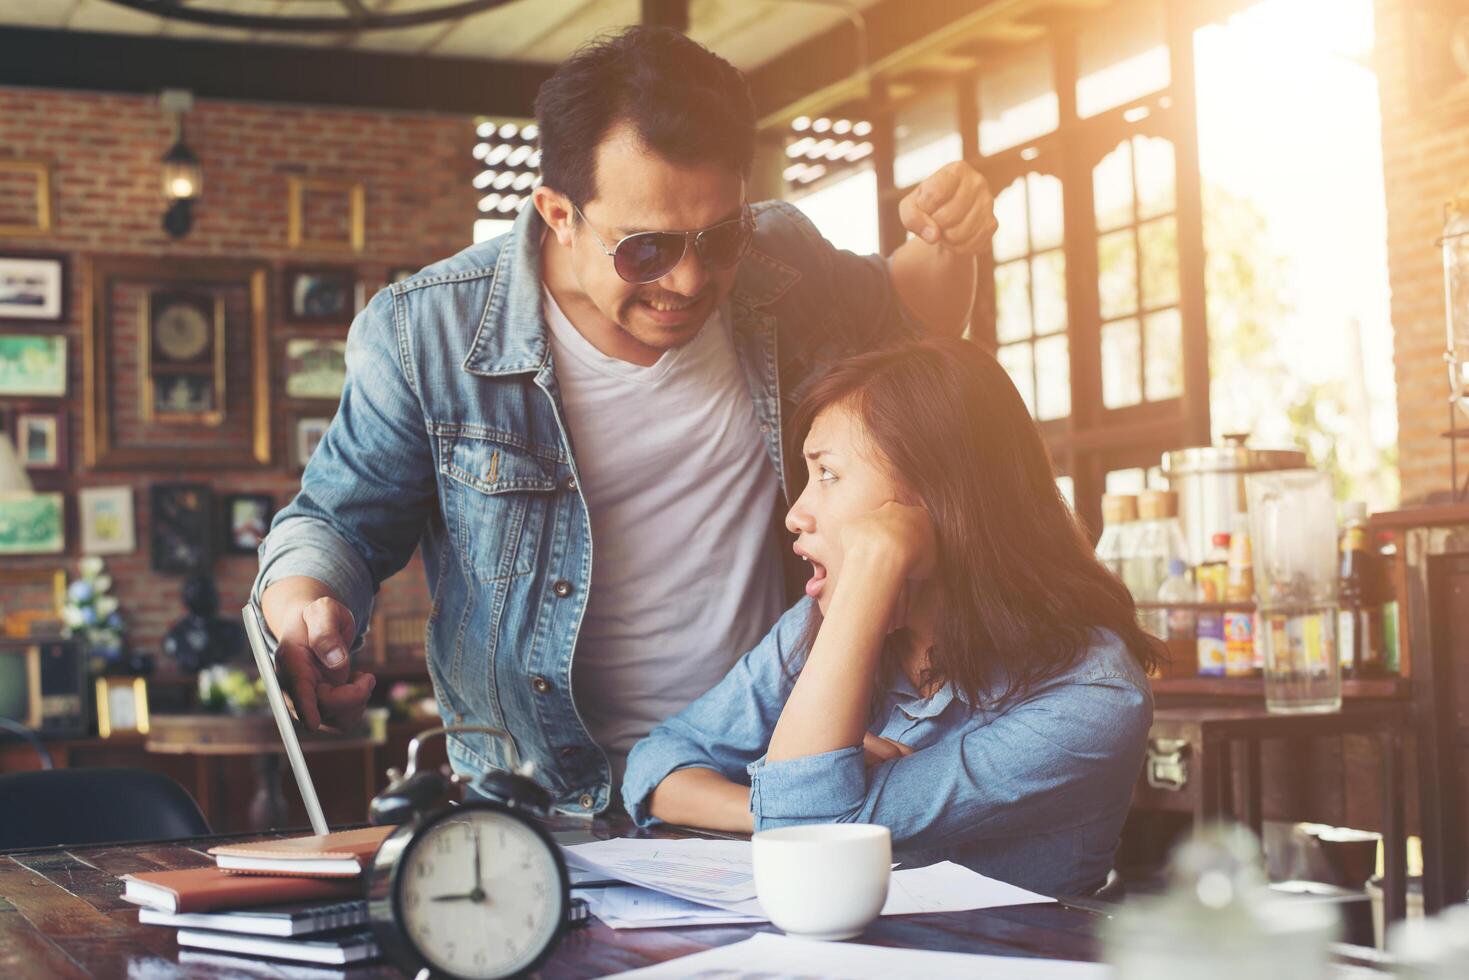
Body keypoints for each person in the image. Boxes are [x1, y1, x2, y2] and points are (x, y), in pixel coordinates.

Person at [251, 25, 997, 814]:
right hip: (537, 803)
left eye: (718, 238)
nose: (686, 279)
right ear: (558, 213)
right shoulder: (427, 332)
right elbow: (336, 523)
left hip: (765, 774)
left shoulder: (784, 265)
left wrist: (950, 236)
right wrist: (302, 609)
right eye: (644, 250)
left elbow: (910, 318)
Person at [623, 338, 1157, 897]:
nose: (796, 514)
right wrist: (767, 799)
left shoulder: (1091, 696)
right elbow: (655, 764)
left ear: (936, 494)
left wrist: (875, 567)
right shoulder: (810, 630)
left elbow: (802, 847)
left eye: (827, 474)